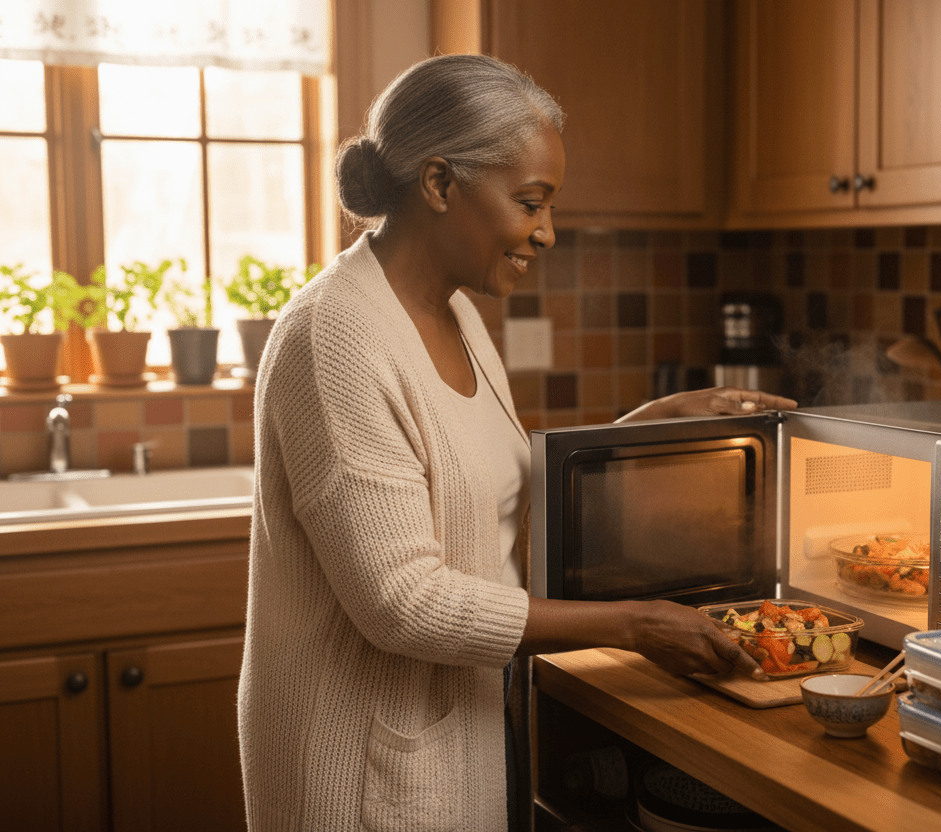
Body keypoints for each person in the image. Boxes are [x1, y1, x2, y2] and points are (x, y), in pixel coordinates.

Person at [236, 53, 797, 832]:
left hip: (453, 740)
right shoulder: (336, 337)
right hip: (359, 772)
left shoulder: (455, 312)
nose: (549, 231)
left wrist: (643, 427)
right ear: (439, 183)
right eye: (531, 202)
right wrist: (636, 626)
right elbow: (402, 604)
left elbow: (482, 488)